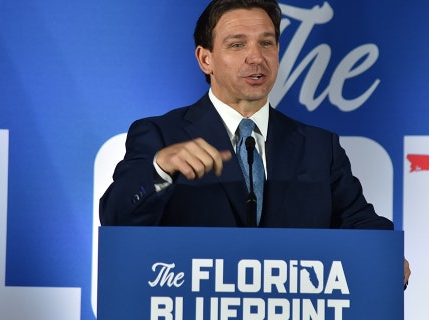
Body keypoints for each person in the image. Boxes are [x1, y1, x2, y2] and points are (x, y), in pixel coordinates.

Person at [100, 0, 410, 287]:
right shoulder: (160, 135)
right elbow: (117, 219)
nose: (256, 57)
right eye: (237, 44)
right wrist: (159, 171)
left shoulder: (319, 146)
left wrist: (385, 254)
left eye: (266, 43)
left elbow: (358, 221)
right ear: (205, 59)